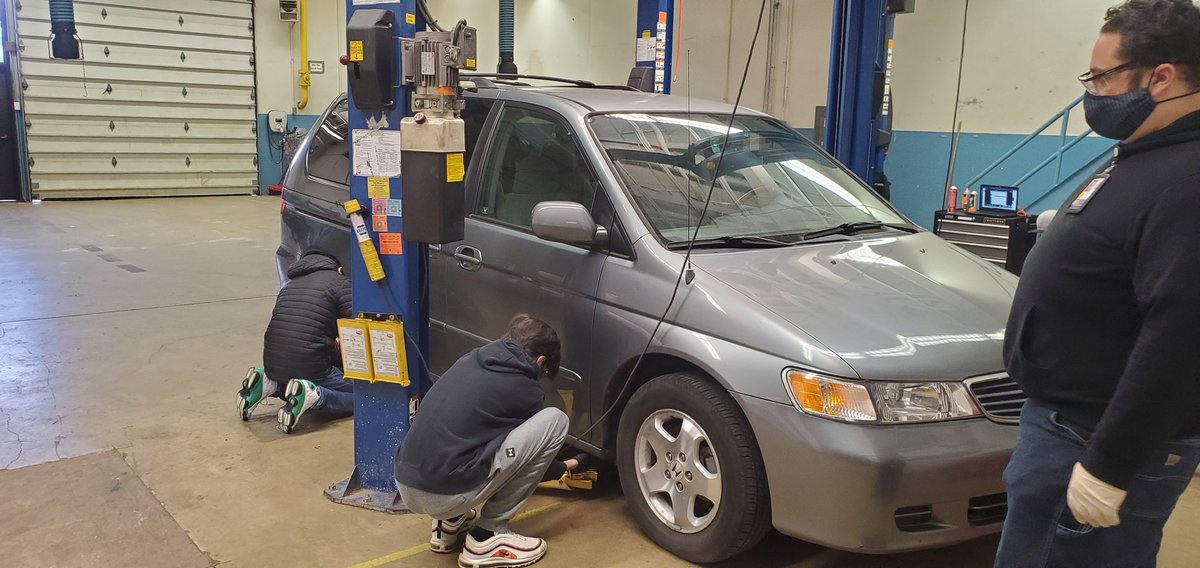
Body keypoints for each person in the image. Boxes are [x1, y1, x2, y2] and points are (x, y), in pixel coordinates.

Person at [995, 1, 1200, 566]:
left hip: (1096, 442)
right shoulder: (1145, 154)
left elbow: (1181, 336)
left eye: (1102, 76)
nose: (1093, 92)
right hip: (1068, 428)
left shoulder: (1189, 178)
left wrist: (1109, 465)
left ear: (1161, 77)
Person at [394, 314, 572, 568]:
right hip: (444, 493)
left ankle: (448, 524)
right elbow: (528, 460)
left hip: (406, 481)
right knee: (556, 420)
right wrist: (564, 467)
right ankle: (488, 536)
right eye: (543, 371)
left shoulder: (471, 359)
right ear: (540, 360)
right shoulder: (526, 390)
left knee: (469, 438)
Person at [237, 250, 355, 434]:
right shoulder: (339, 282)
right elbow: (358, 327)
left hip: (273, 363)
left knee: (300, 369)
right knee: (363, 397)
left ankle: (270, 384)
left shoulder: (289, 286)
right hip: (309, 364)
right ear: (338, 268)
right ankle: (316, 396)